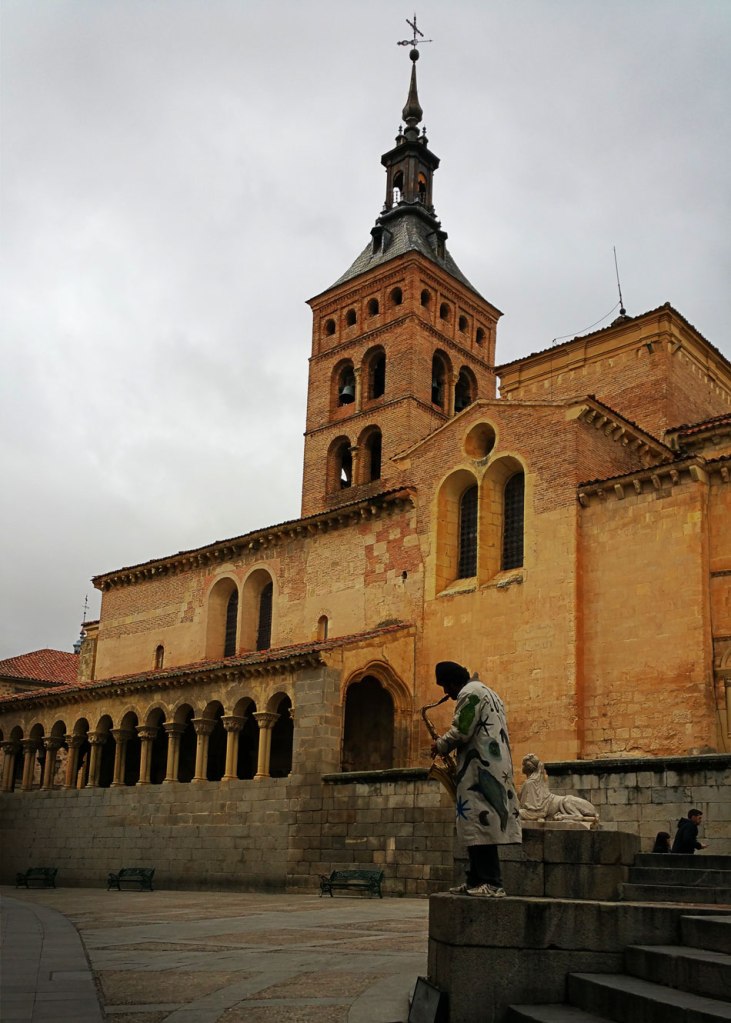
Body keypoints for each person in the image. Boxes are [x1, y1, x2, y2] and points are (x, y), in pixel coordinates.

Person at [430, 660, 521, 897]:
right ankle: (475, 880)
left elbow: (462, 729)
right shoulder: (489, 692)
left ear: (452, 681)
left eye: (445, 686)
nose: (445, 693)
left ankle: (492, 882)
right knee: (476, 822)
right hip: (490, 763)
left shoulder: (470, 693)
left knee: (482, 822)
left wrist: (441, 744)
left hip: (480, 767)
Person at [518, 754, 599, 825]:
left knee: (567, 800)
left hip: (564, 803)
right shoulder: (534, 782)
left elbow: (537, 813)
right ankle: (581, 817)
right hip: (557, 806)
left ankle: (577, 816)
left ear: (528, 767)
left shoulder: (531, 783)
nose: (522, 767)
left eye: (523, 765)